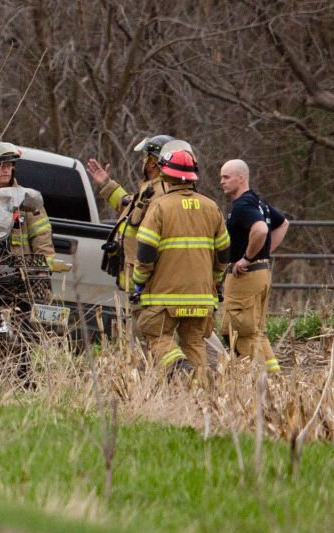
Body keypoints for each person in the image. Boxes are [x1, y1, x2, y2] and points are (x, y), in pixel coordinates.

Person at [130, 142, 230, 381]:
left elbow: (145, 251)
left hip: (164, 296)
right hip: (202, 297)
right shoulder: (211, 207)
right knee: (194, 340)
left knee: (155, 335)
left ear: (164, 175)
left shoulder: (159, 207)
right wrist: (215, 284)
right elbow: (224, 253)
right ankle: (200, 393)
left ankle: (176, 365)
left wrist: (139, 282)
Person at [219, 159, 289, 372]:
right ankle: (273, 379)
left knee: (237, 330)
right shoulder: (259, 202)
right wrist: (263, 253)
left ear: (241, 178)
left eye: (226, 177)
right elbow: (283, 223)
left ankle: (251, 380)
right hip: (261, 272)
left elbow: (260, 230)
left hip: (246, 276)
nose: (221, 181)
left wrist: (248, 258)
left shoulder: (243, 205)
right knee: (256, 332)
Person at [87, 134, 173, 291]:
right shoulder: (151, 189)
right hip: (141, 283)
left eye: (145, 157)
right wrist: (107, 184)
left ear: (153, 163)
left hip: (149, 285)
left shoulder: (162, 193)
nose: (143, 161)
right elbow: (130, 207)